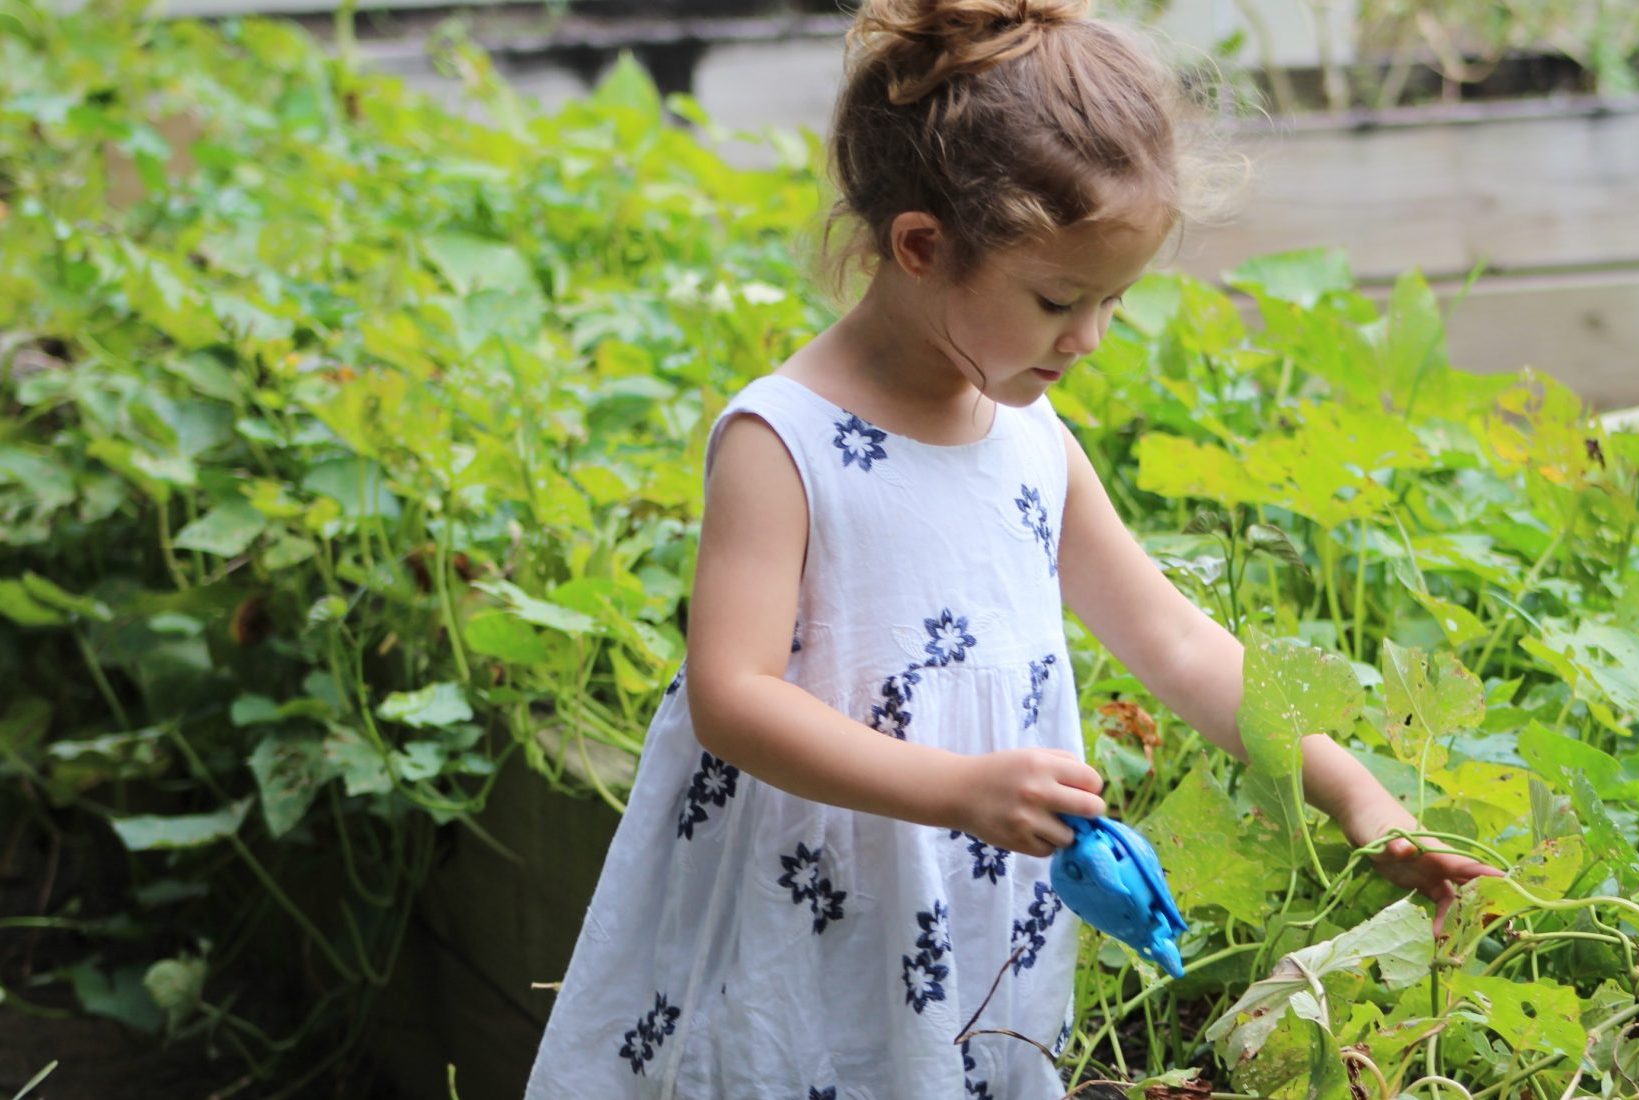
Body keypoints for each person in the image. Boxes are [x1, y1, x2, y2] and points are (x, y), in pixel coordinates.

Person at [524, 1, 1498, 1096]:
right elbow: (732, 696)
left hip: (971, 900)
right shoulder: (784, 441)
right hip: (814, 891)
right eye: (1056, 300)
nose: (1086, 339)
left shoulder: (1031, 440)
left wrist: (1357, 796)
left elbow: (1175, 640)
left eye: (1110, 303)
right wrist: (954, 787)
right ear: (922, 246)